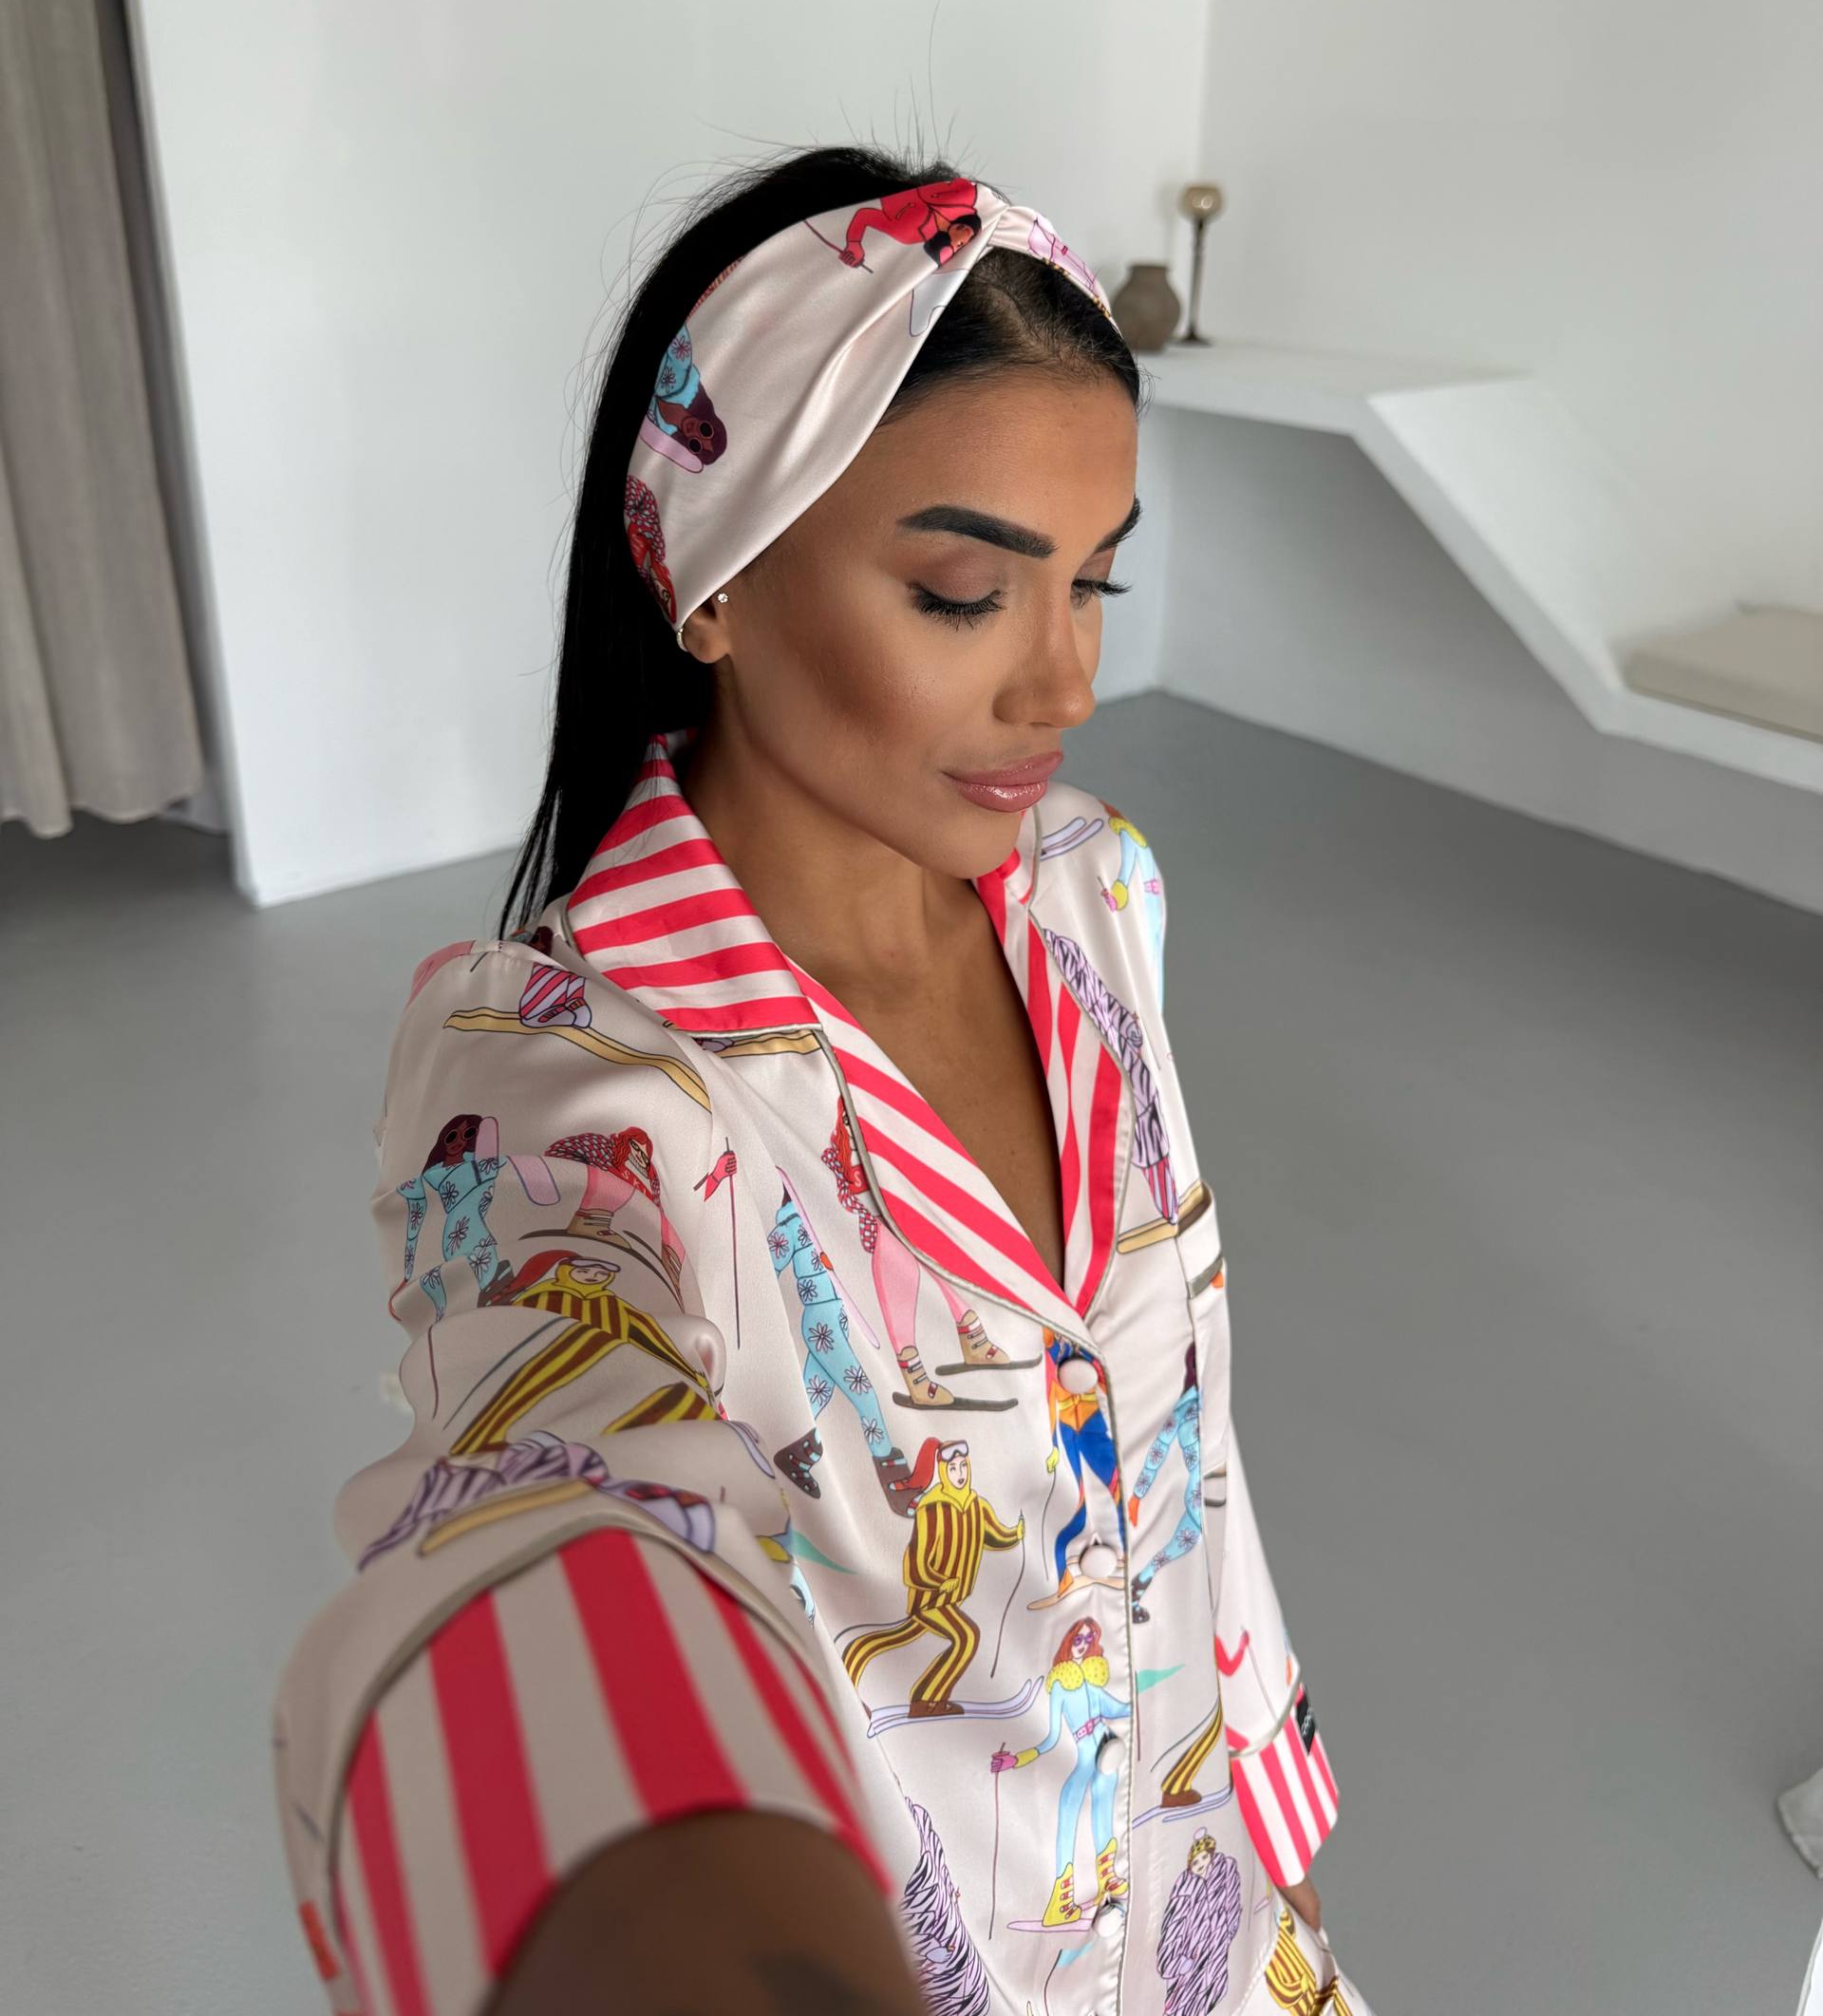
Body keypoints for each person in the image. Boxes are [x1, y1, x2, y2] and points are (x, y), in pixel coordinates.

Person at [271, 145, 1377, 2016]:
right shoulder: (566, 1072)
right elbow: (543, 1476)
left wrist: (1264, 1794)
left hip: (1218, 1931)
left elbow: (1181, 1432)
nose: (1064, 684)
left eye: (1096, 580)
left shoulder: (1098, 896)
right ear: (713, 584)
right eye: (964, 592)